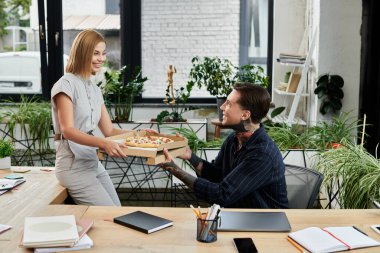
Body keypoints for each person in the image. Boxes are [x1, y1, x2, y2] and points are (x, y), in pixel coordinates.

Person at [159, 82, 289, 208]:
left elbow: (221, 195)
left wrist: (174, 169)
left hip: (267, 223)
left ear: (245, 114)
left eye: (228, 104)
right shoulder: (234, 138)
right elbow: (217, 176)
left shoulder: (262, 154)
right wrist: (190, 156)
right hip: (241, 216)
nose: (222, 108)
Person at [51, 29, 130, 206]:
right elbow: (68, 130)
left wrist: (140, 135)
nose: (101, 58)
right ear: (82, 52)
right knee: (110, 217)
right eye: (95, 53)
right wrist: (104, 144)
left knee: (117, 211)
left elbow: (109, 130)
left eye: (103, 53)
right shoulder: (65, 85)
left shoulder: (94, 89)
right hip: (72, 167)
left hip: (92, 162)